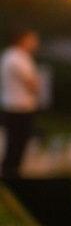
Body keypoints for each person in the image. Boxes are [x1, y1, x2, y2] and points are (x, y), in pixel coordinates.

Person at [1, 30, 41, 177]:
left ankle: (12, 170)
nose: (35, 43)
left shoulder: (14, 56)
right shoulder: (16, 58)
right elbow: (32, 83)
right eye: (32, 39)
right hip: (18, 106)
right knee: (16, 141)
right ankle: (10, 171)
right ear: (23, 40)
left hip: (17, 105)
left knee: (17, 140)